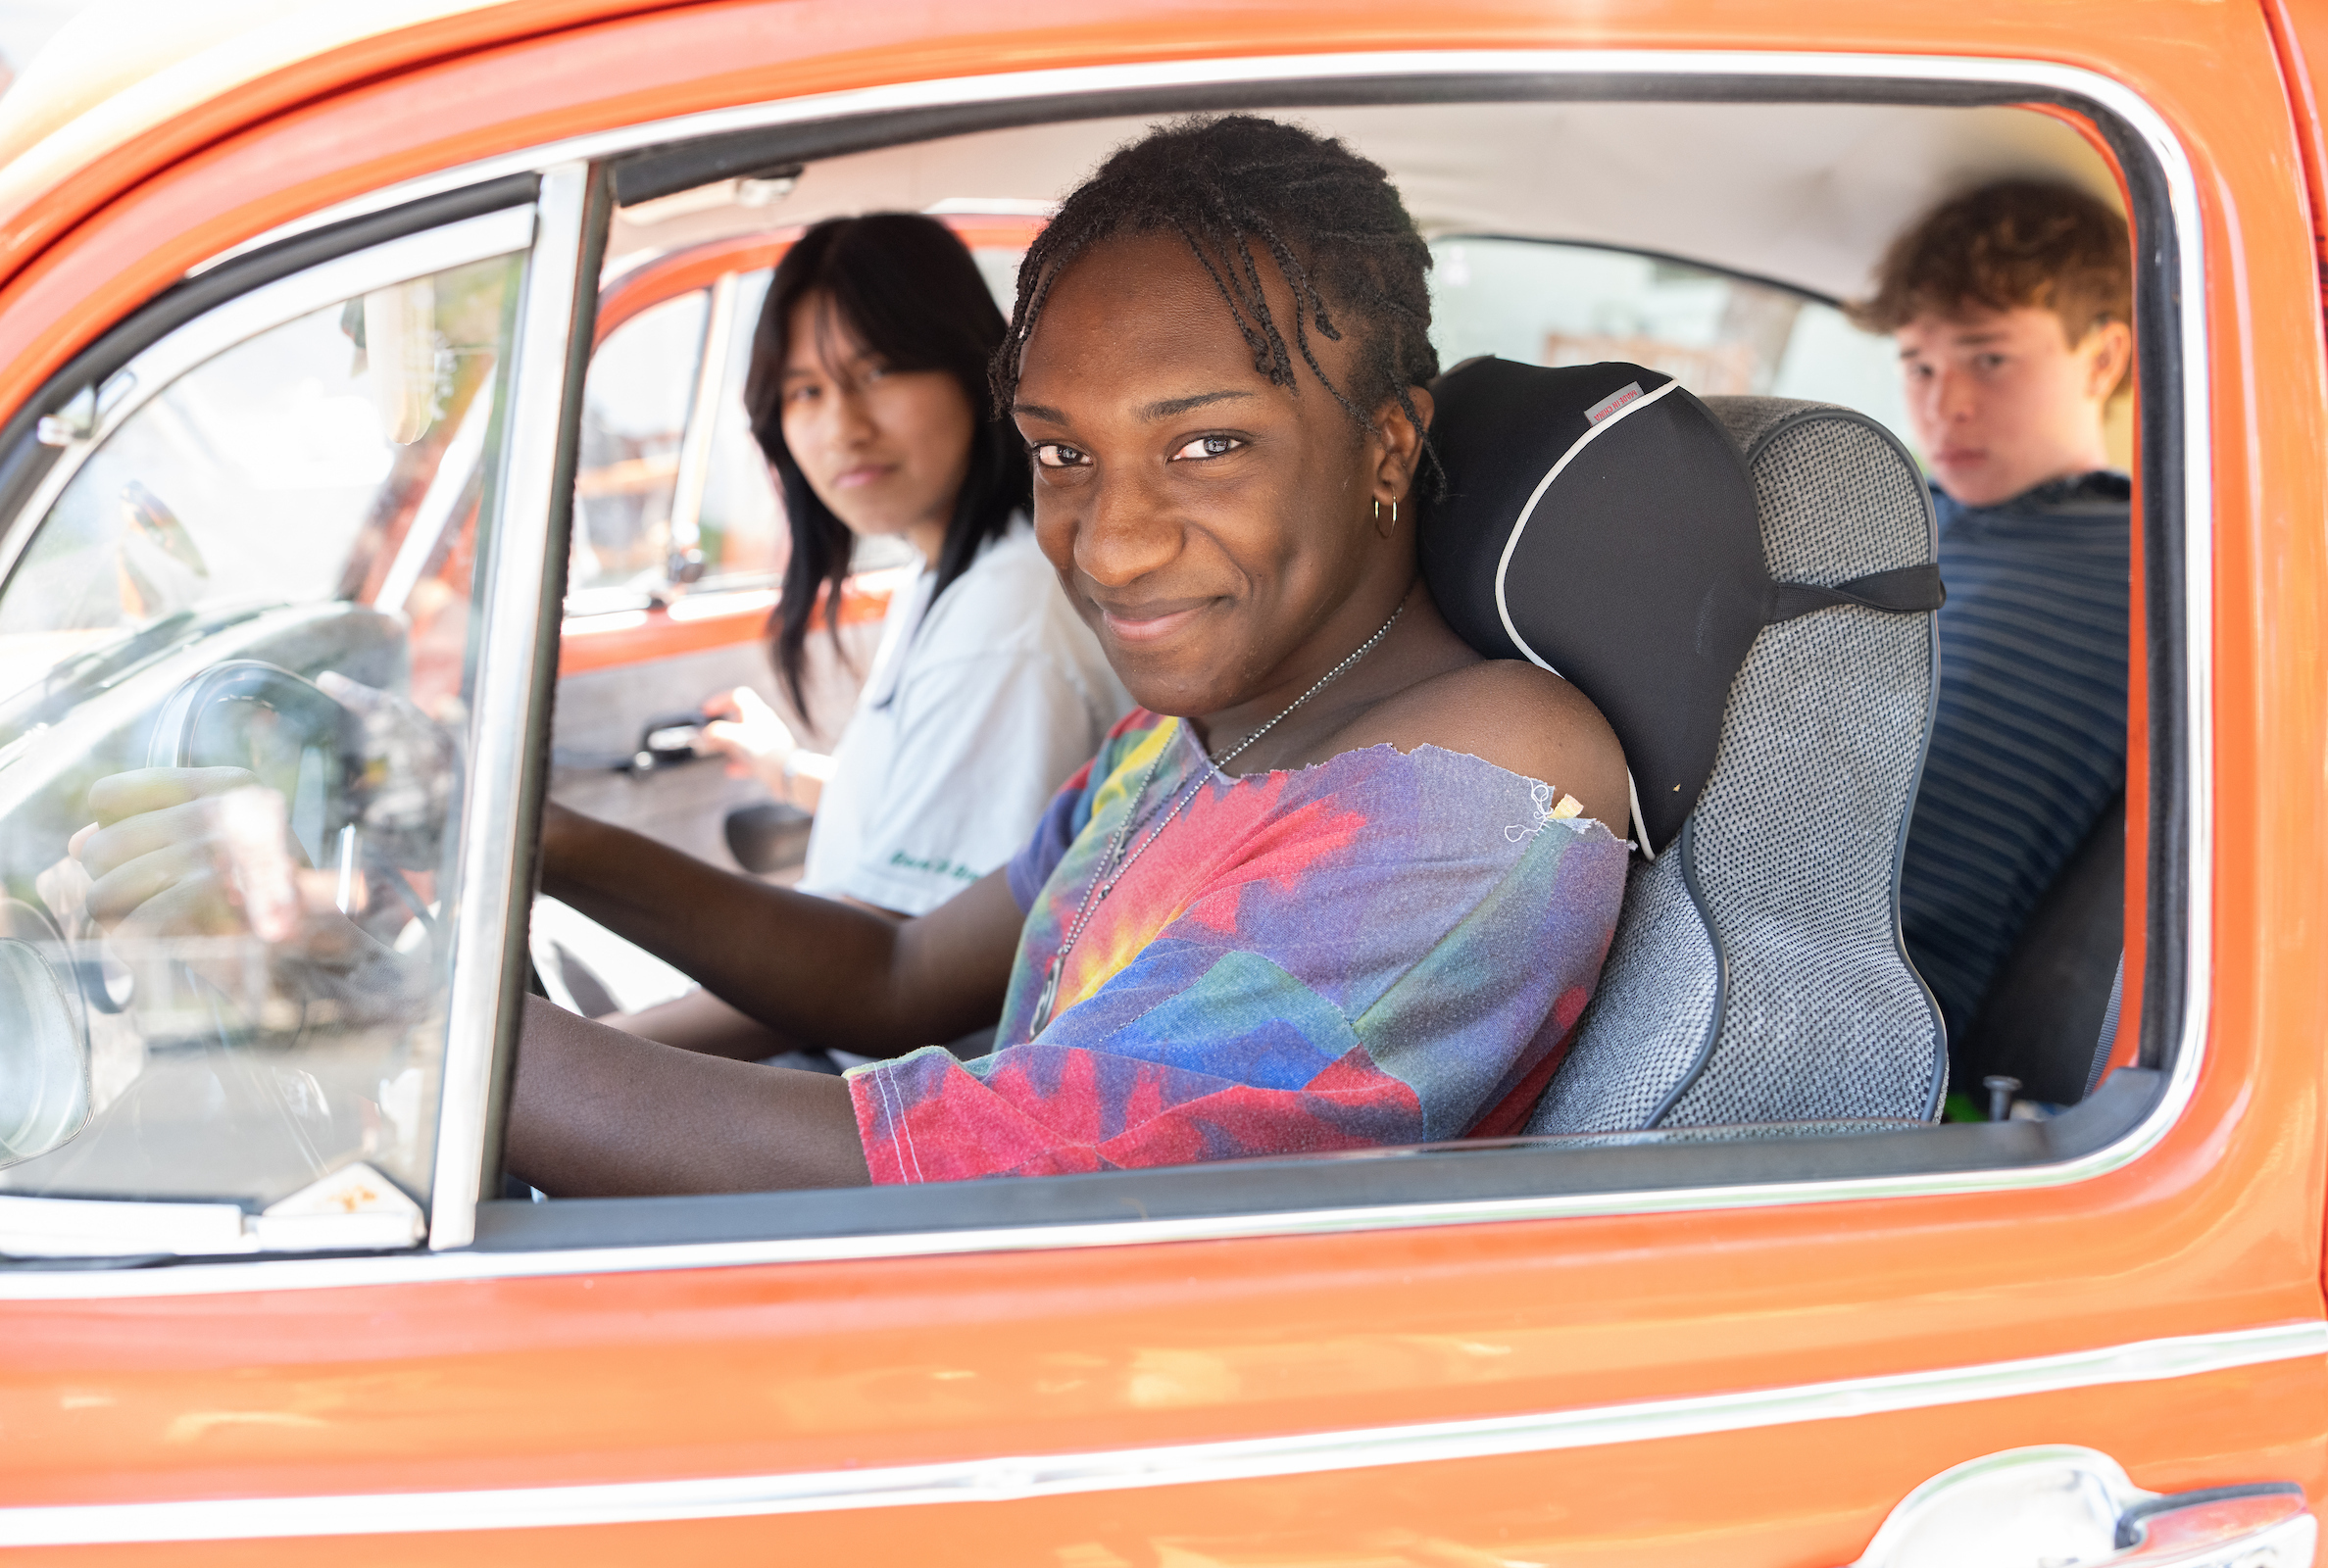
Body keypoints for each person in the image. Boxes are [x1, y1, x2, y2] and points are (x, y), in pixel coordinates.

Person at [80, 117, 1631, 1196]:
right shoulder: (1208, 730)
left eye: (1206, 444)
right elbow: (893, 975)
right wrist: (519, 834)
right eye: (1062, 456)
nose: (1108, 541)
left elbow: (993, 1171)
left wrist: (374, 1019)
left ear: (1387, 445)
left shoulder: (1486, 792)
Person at [603, 213, 1127, 1059]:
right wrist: (793, 774)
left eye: (878, 370)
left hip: (896, 1097)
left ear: (975, 369)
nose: (840, 424)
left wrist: (598, 1050)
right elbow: (956, 823)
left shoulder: (1009, 618)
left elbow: (891, 963)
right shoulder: (954, 569)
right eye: (805, 390)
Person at [1848, 179, 2135, 1050]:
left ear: (2101, 360)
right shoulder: (1893, 524)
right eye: (1919, 365)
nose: (1945, 403)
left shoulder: (2140, 565)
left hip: (1881, 1021)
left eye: (1990, 358)